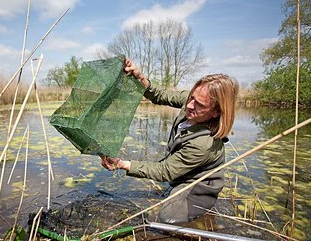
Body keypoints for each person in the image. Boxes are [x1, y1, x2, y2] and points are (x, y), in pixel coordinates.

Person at [101, 59, 239, 224]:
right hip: (180, 174)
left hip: (197, 185)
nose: (189, 105)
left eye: (200, 105)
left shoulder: (204, 144)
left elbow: (164, 171)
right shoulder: (191, 102)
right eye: (191, 98)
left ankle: (202, 210)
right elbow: (159, 95)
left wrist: (122, 164)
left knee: (168, 218)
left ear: (216, 112)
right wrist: (138, 76)